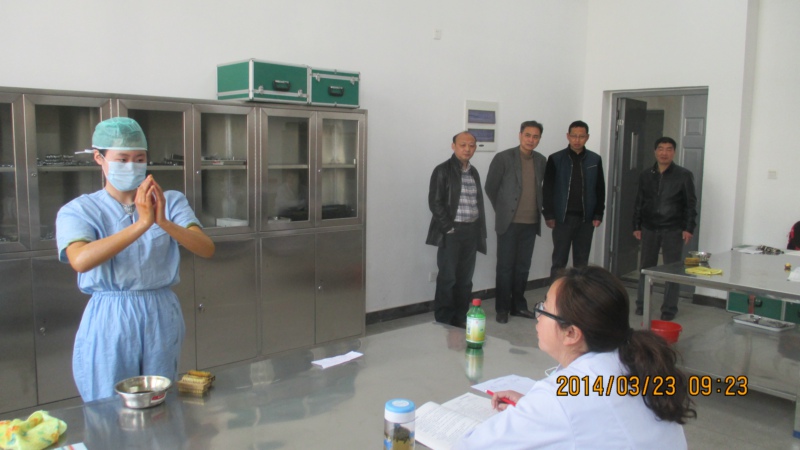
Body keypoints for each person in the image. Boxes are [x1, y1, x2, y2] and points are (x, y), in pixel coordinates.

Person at [56, 117, 215, 402]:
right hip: (111, 314)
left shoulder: (170, 201)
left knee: (159, 398)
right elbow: (80, 259)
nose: (132, 166)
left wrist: (163, 221)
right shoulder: (80, 210)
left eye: (139, 159)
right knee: (107, 401)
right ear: (99, 158)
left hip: (160, 311)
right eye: (122, 159)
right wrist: (141, 224)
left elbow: (206, 248)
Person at [456, 266, 695, 449]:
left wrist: (539, 411)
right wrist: (534, 409)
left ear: (571, 333)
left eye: (544, 308)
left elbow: (473, 445)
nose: (538, 315)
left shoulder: (559, 397)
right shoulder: (633, 360)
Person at [484, 121, 546, 324]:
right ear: (520, 135)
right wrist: (503, 210)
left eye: (535, 137)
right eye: (527, 135)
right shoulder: (503, 158)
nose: (531, 140)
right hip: (509, 223)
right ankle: (502, 308)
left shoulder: (541, 160)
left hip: (531, 222)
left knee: (523, 267)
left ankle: (518, 305)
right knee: (505, 267)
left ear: (539, 139)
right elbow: (490, 187)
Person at [426, 131, 487, 328]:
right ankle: (444, 319)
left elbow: (477, 202)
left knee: (465, 279)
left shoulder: (474, 172)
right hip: (451, 232)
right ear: (453, 146)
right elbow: (435, 203)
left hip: (471, 230)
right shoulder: (442, 170)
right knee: (448, 278)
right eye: (463, 145)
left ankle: (460, 317)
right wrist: (449, 228)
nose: (467, 149)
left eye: (471, 145)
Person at [633, 137, 697, 321]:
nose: (664, 153)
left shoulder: (683, 175)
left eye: (669, 149)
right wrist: (636, 225)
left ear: (674, 152)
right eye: (661, 149)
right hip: (649, 228)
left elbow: (690, 204)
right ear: (655, 151)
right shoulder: (646, 175)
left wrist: (688, 228)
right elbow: (639, 201)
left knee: (672, 270)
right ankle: (642, 304)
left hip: (673, 229)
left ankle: (669, 308)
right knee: (645, 269)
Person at [542, 120, 605, 281]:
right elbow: (547, 189)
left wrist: (598, 214)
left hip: (586, 219)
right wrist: (549, 214)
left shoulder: (594, 159)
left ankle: (579, 296)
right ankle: (556, 294)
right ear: (568, 136)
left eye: (581, 136)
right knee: (559, 261)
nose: (577, 140)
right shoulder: (556, 159)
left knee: (582, 264)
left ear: (587, 137)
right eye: (574, 136)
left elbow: (600, 188)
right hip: (562, 219)